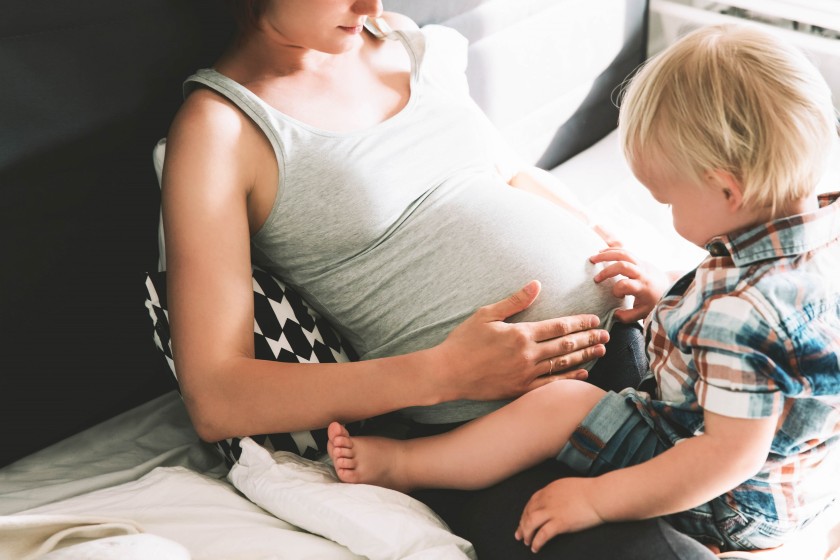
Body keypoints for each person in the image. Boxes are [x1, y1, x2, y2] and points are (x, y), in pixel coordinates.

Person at [160, 1, 716, 558]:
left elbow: (511, 174)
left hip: (636, 347)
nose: (372, 5)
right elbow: (216, 397)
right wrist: (441, 373)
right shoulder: (219, 131)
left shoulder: (400, 40)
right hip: (487, 439)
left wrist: (628, 262)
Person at [326, 23, 840, 555]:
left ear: (728, 189)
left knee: (561, 405)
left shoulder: (742, 315)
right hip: (805, 483)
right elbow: (770, 346)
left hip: (729, 496)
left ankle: (405, 465)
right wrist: (669, 292)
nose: (668, 214)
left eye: (669, 201)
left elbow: (724, 457)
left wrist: (599, 499)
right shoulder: (813, 240)